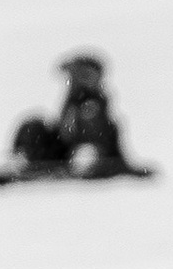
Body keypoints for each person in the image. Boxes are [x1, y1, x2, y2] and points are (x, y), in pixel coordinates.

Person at [10, 52, 145, 178]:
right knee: (33, 126)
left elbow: (96, 135)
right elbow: (63, 131)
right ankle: (28, 162)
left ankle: (79, 164)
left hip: (85, 156)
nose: (75, 81)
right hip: (60, 153)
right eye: (73, 76)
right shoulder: (73, 100)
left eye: (83, 76)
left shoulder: (94, 104)